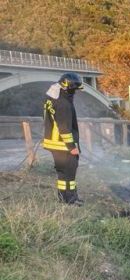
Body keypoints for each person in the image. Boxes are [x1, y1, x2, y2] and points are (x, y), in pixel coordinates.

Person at [43, 72, 83, 204]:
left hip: (53, 143)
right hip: (63, 145)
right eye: (74, 90)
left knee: (62, 174)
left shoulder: (52, 97)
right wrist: (72, 147)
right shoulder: (63, 104)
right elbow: (65, 128)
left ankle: (62, 198)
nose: (75, 93)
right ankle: (71, 199)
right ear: (67, 87)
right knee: (70, 172)